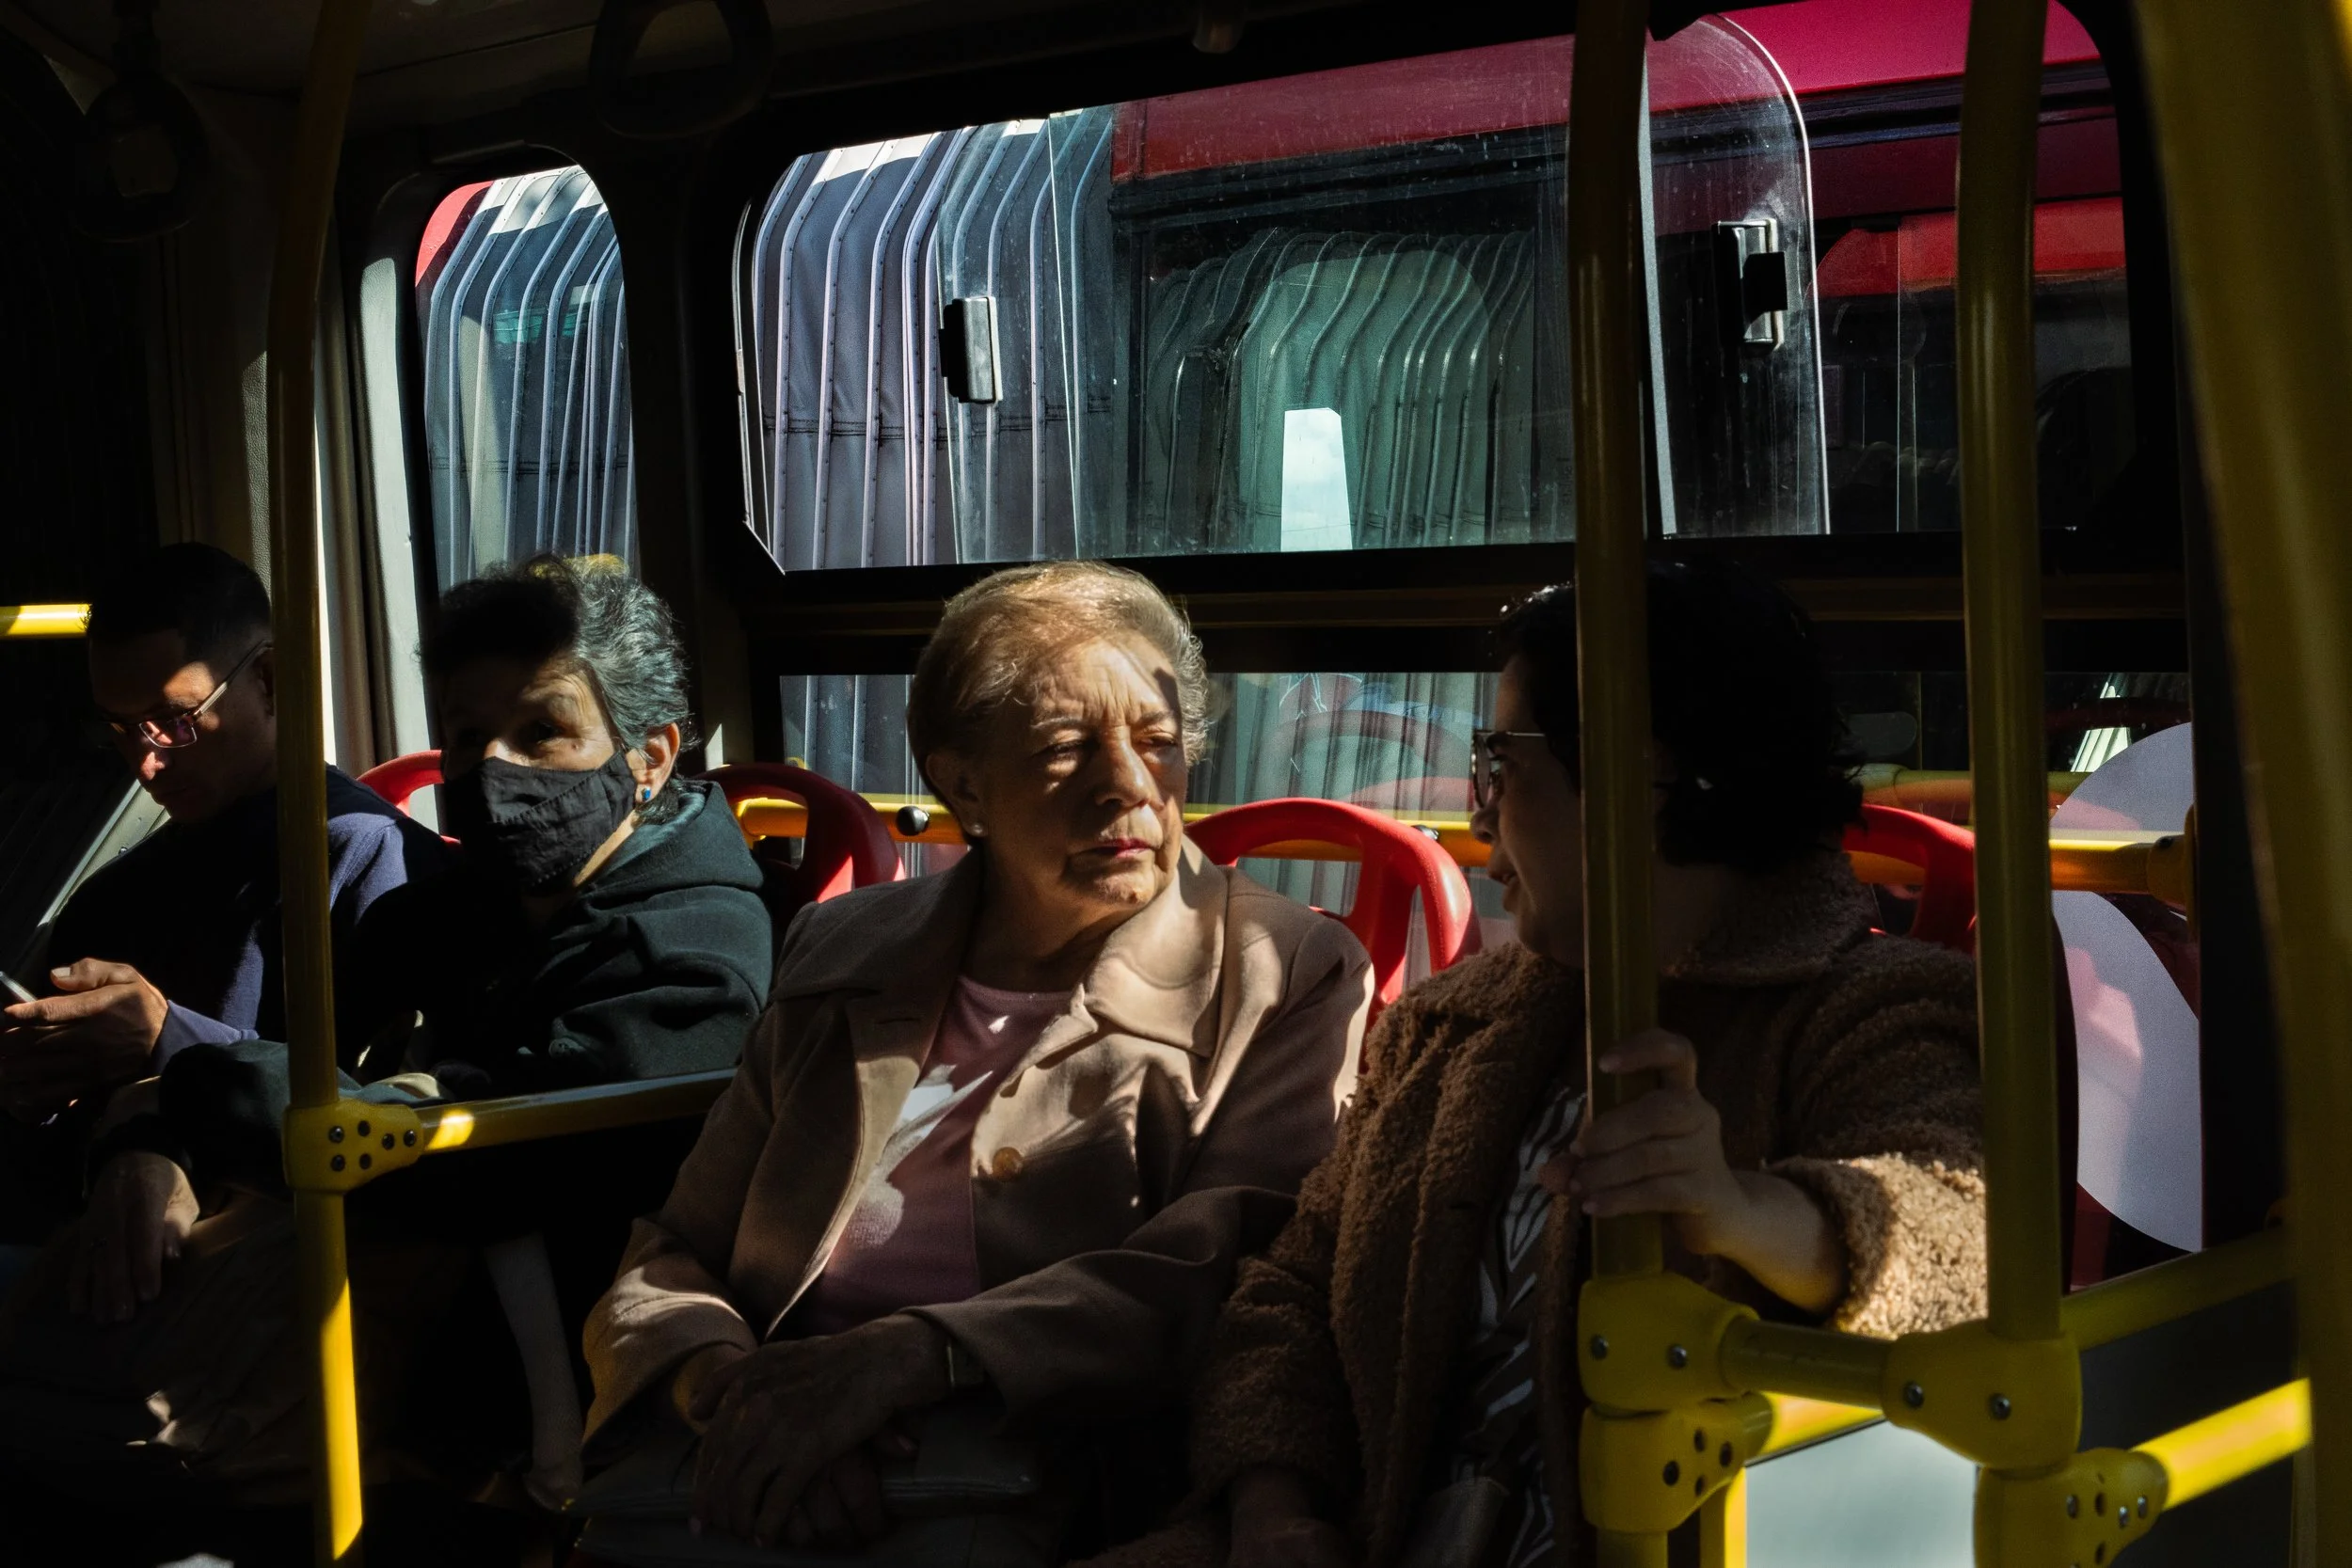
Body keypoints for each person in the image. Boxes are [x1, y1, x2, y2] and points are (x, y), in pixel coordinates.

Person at [1181, 561, 1984, 1568]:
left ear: (1629, 776)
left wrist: (1743, 1210)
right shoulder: (1450, 1022)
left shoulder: (1874, 1009)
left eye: (1499, 763)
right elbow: (1296, 1286)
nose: (1478, 819)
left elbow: (1957, 1236)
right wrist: (1275, 1507)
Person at [573, 562, 1375, 1564]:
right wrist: (730, 1392)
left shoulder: (1278, 970)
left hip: (1064, 1477)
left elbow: (1224, 1267)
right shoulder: (839, 948)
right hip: (773, 1448)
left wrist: (912, 1357)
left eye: (1160, 742)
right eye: (1064, 748)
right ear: (961, 782)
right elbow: (675, 1247)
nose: (1128, 783)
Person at [0, 557, 773, 1530]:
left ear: (650, 755)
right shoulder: (473, 904)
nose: (495, 770)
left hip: (519, 1388)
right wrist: (150, 1126)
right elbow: (299, 1039)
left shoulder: (690, 957)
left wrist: (178, 1076)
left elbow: (496, 1158)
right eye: (464, 735)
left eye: (542, 731)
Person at [0, 545, 451, 1238]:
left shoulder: (367, 855)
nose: (146, 762)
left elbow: (381, 1114)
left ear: (270, 678)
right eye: (117, 728)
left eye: (173, 720)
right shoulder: (111, 896)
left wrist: (165, 1039)